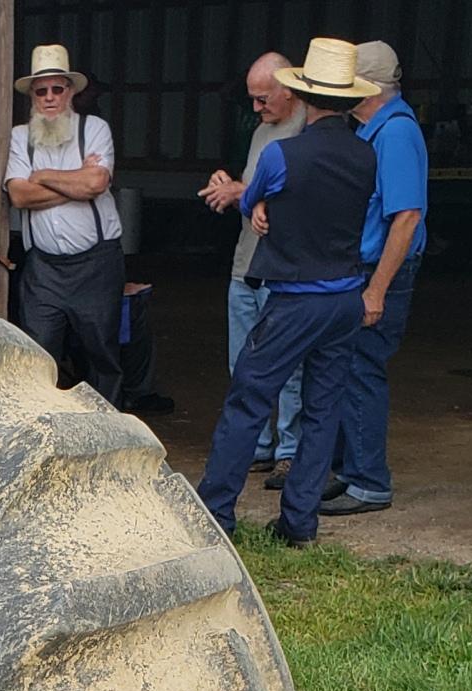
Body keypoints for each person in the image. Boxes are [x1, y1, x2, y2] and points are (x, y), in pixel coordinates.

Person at [195, 38, 379, 547]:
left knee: (248, 400)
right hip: (345, 297)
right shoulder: (366, 156)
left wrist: (260, 204)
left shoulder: (281, 154)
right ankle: (299, 522)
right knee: (322, 410)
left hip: (295, 296)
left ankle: (216, 513)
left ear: (304, 94)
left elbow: (251, 196)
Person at [322, 39, 428, 519]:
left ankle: (369, 483)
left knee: (364, 369)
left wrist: (377, 289)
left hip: (380, 270)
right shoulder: (373, 130)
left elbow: (405, 216)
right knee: (348, 369)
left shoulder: (396, 134)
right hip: (364, 266)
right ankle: (351, 471)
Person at [201, 53, 305, 481]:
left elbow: (299, 198)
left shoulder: (306, 133)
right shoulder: (262, 131)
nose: (257, 109)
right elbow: (254, 192)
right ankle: (259, 445)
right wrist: (232, 188)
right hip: (246, 263)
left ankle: (290, 450)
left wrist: (244, 192)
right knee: (241, 362)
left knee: (288, 366)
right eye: (253, 100)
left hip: (282, 267)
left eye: (264, 100)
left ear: (290, 91)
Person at [6, 44, 124, 407]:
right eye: (41, 91)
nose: (50, 97)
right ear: (32, 97)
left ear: (71, 92)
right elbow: (19, 196)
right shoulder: (19, 137)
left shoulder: (95, 129)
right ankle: (44, 427)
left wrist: (43, 176)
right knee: (39, 352)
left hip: (95, 264)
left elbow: (96, 185)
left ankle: (109, 433)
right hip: (44, 270)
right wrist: (76, 183)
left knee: (101, 351)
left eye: (58, 89)